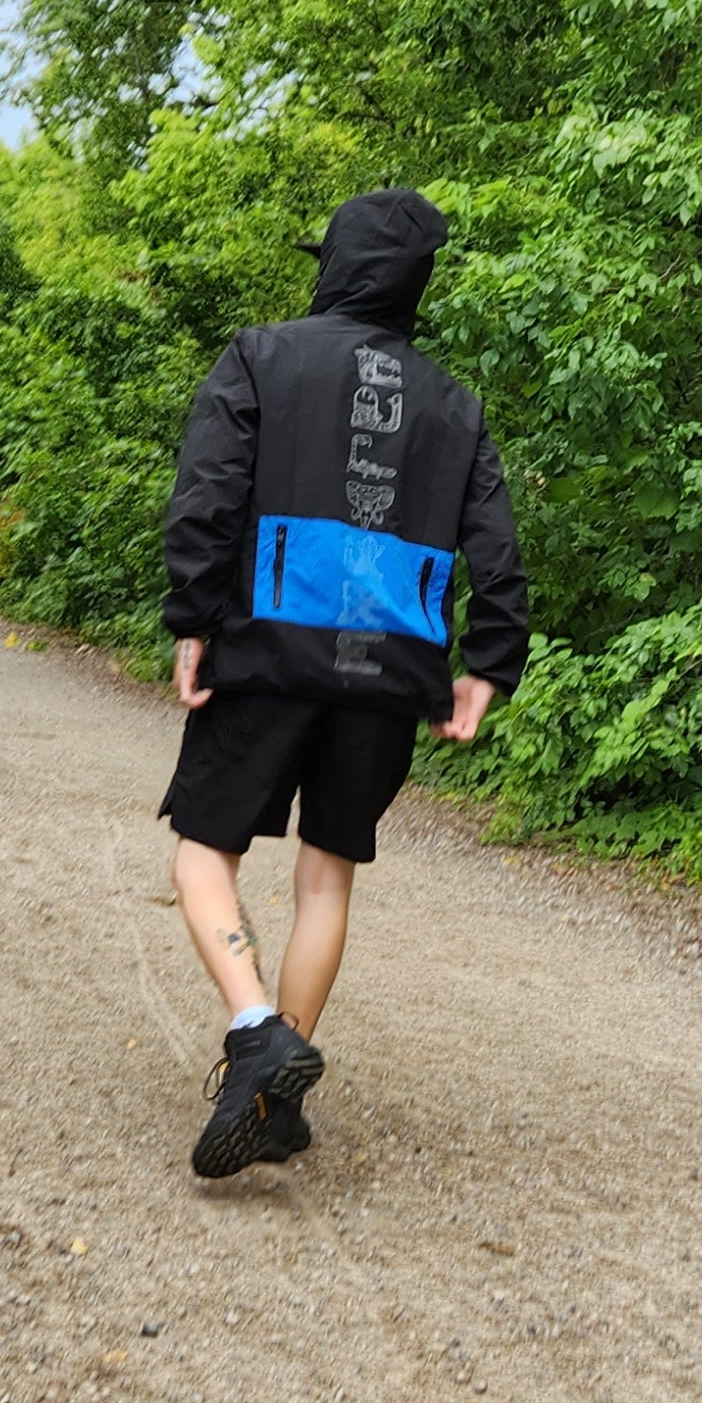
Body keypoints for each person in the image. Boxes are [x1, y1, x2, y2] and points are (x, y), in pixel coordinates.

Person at [157, 186, 531, 1177]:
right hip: (389, 668)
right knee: (327, 873)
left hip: (268, 652)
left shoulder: (263, 357)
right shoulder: (455, 404)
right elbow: (495, 548)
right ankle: (275, 1092)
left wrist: (195, 618)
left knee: (202, 854)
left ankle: (255, 1030)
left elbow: (208, 493)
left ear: (334, 265)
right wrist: (489, 665)